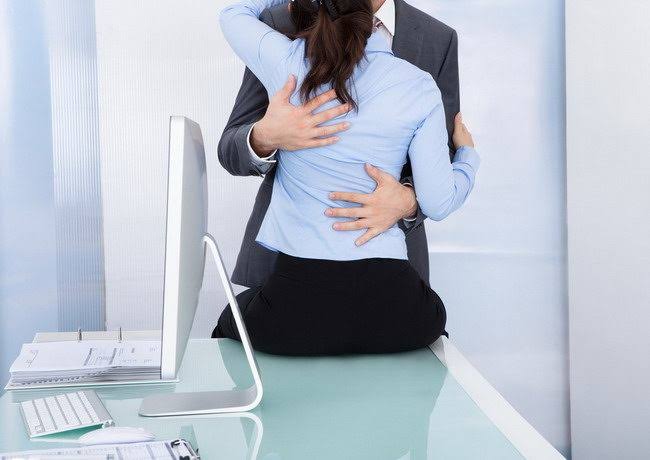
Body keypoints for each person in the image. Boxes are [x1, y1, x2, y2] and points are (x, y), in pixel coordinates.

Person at [214, 0, 480, 355]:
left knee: (234, 336)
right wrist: (266, 135)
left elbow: (232, 15)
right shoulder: (417, 84)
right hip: (391, 298)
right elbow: (441, 197)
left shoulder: (288, 60)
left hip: (295, 296)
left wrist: (407, 199)